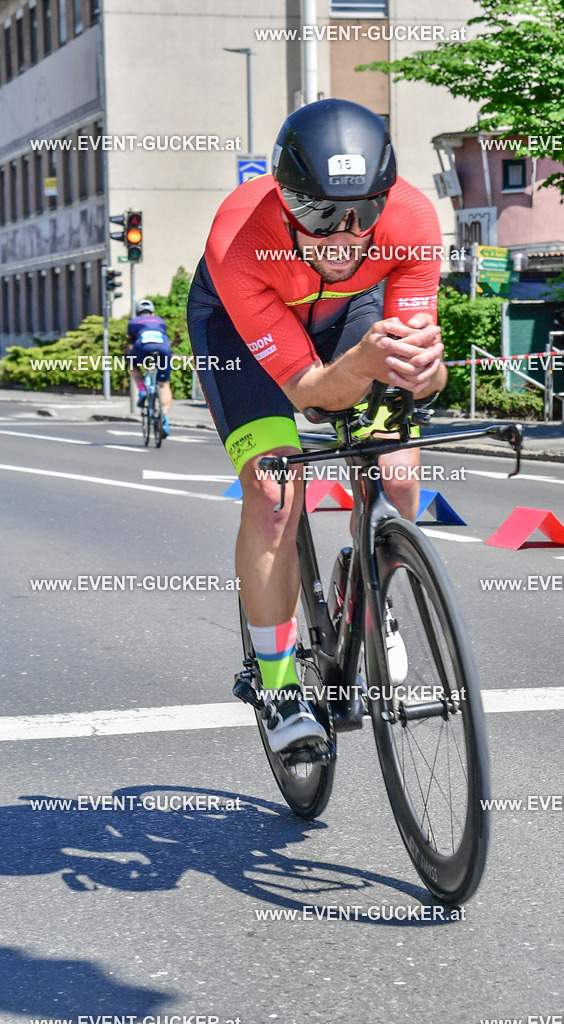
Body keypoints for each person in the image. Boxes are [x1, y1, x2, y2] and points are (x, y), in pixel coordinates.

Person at [187, 98, 447, 753]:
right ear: (282, 198)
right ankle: (276, 685)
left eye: (362, 213)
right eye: (316, 213)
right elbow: (309, 396)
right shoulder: (239, 237)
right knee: (274, 494)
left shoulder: (412, 218)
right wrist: (360, 366)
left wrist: (425, 372)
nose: (341, 236)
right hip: (241, 336)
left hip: (349, 316)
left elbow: (422, 369)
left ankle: (369, 585)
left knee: (396, 475)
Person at [127, 299, 173, 437]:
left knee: (131, 363)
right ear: (152, 313)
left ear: (137, 312)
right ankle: (164, 419)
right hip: (163, 348)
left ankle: (142, 389)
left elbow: (131, 343)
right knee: (164, 384)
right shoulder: (160, 320)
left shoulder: (133, 322)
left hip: (143, 346)